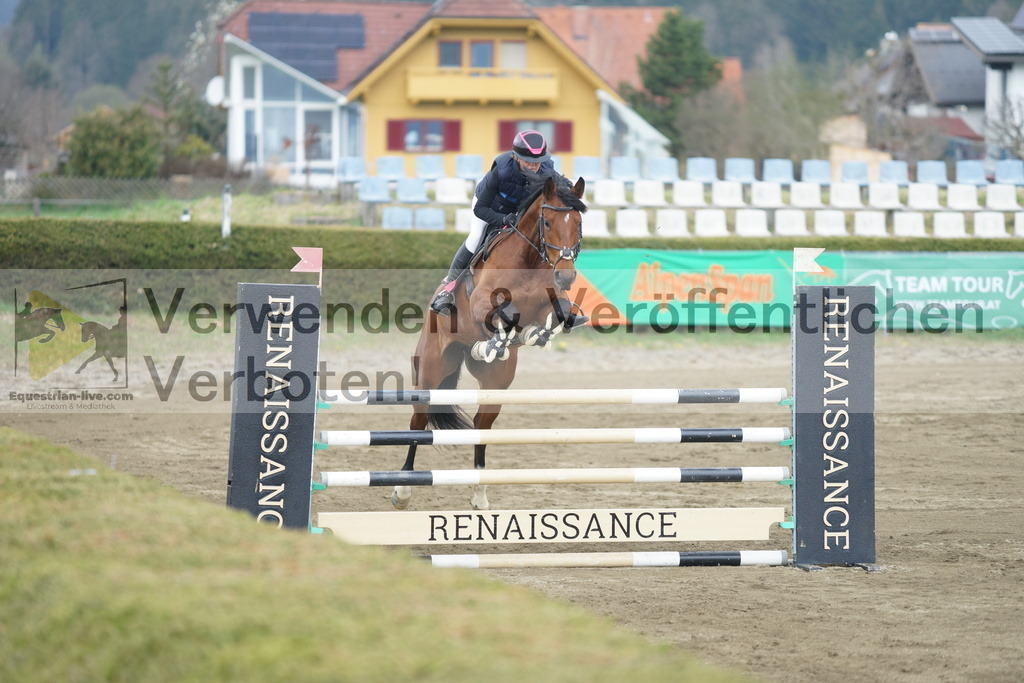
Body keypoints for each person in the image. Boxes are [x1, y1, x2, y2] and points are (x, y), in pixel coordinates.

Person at [430, 130, 555, 316]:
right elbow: (480, 209)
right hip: (489, 207)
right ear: (516, 157)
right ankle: (447, 290)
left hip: (518, 212)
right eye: (528, 160)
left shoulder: (548, 170)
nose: (534, 165)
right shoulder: (502, 171)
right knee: (475, 238)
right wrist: (503, 219)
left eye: (538, 161)